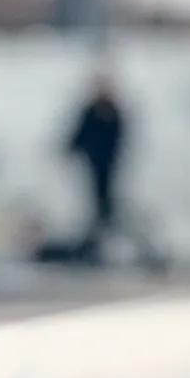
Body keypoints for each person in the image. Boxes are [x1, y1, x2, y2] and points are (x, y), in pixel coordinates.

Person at [65, 70, 128, 264]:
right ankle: (93, 246)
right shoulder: (92, 110)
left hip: (108, 169)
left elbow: (118, 140)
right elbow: (78, 135)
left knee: (105, 206)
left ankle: (101, 244)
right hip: (92, 168)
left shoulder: (113, 112)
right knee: (96, 207)